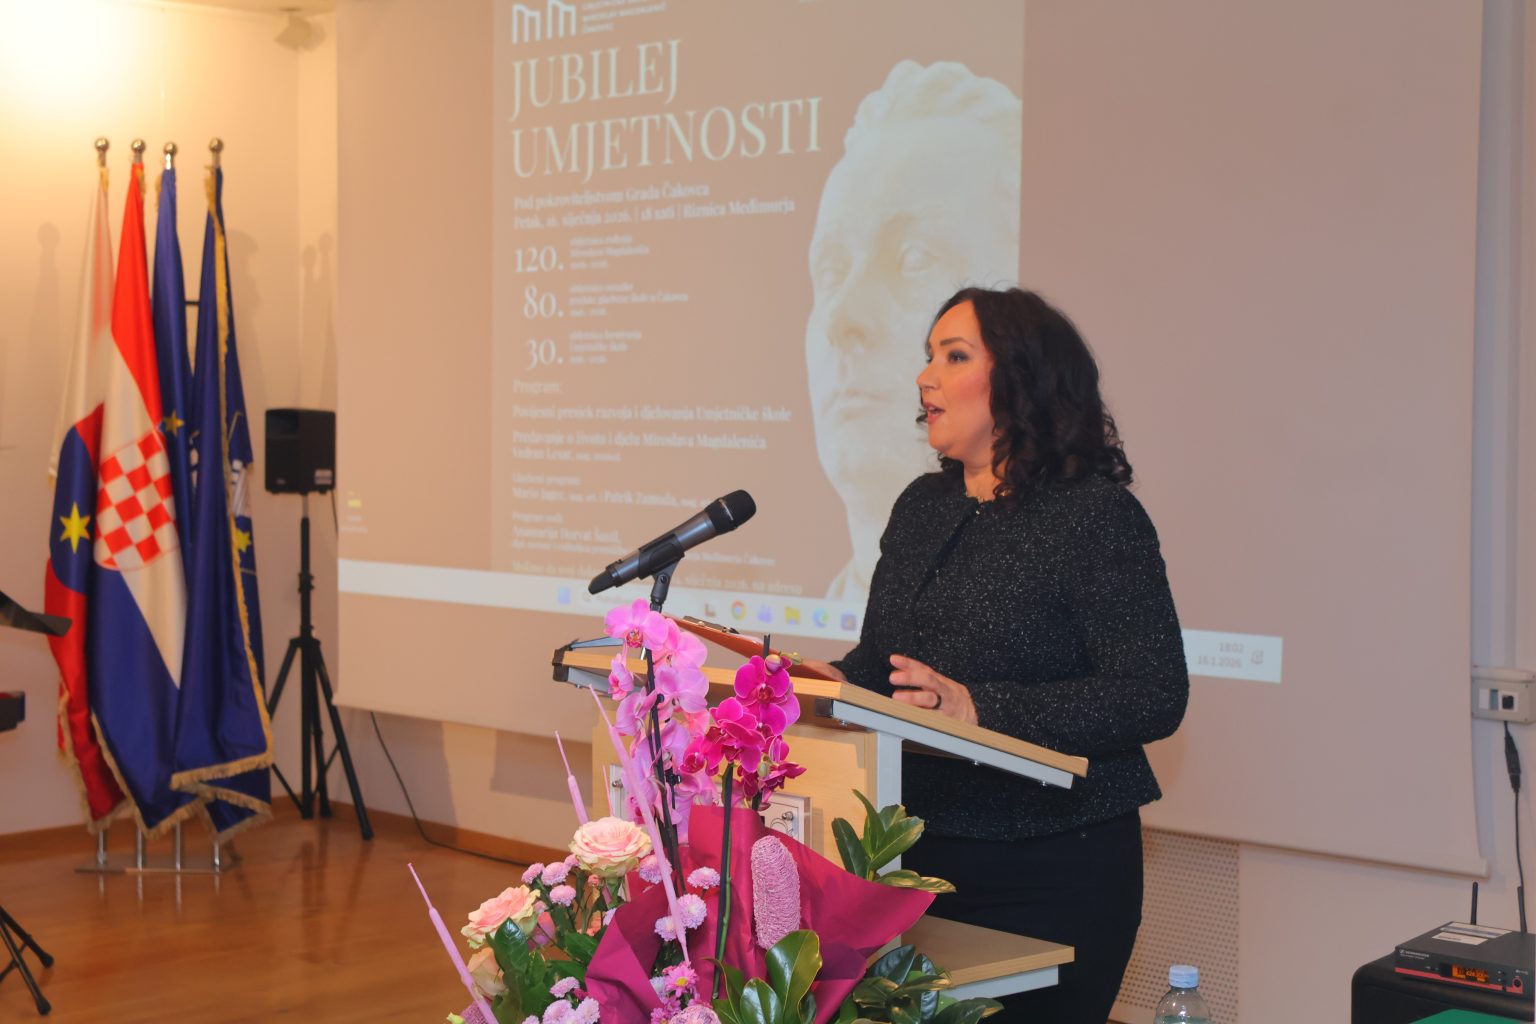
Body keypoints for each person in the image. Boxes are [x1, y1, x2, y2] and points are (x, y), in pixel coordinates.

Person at [802, 287, 1189, 1023]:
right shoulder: (922, 506)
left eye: (954, 357)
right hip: (914, 860)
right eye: (928, 357)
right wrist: (833, 682)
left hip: (1050, 870)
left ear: (1022, 378)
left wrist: (982, 707)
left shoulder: (1095, 515)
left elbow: (1152, 692)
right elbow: (887, 662)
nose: (925, 377)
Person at [803, 60, 1021, 602]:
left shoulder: (1089, 530)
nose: (841, 319)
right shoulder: (914, 516)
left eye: (914, 258)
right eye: (831, 270)